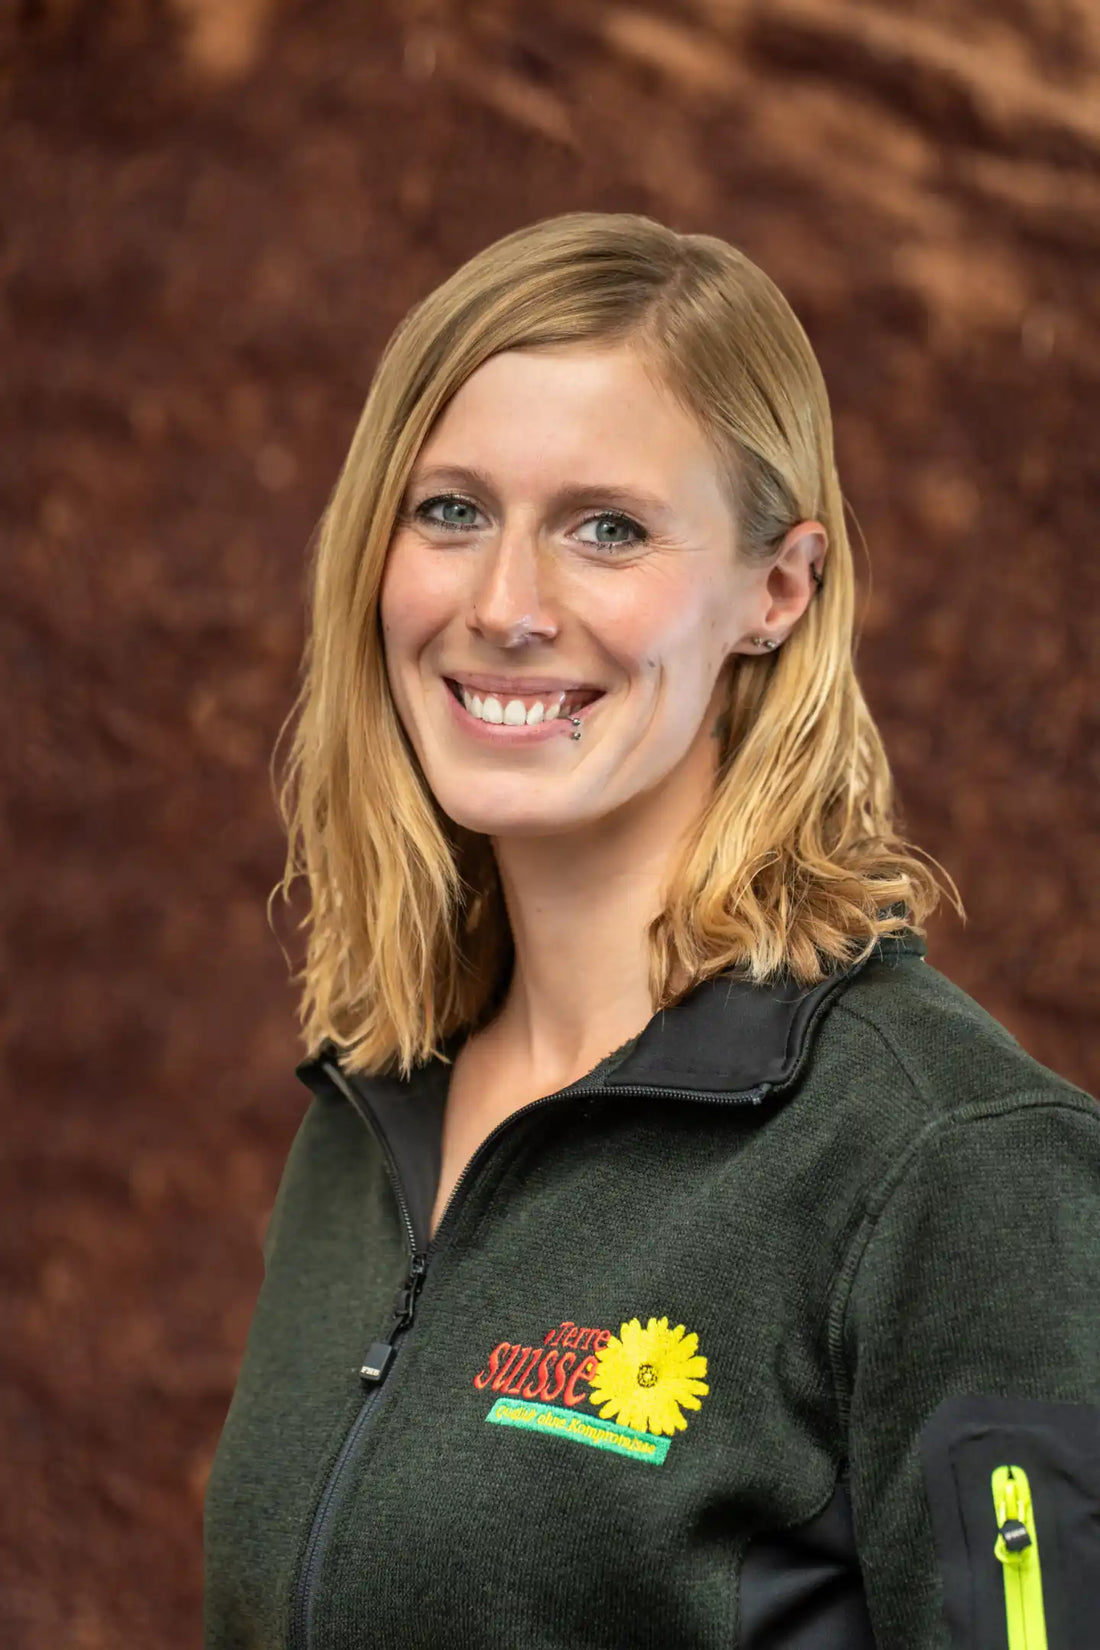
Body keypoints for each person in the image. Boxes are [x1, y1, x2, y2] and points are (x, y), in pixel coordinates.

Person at [203, 212, 1100, 1650]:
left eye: (606, 528)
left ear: (778, 590)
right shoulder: (368, 1113)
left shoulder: (950, 1164)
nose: (504, 605)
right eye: (450, 510)